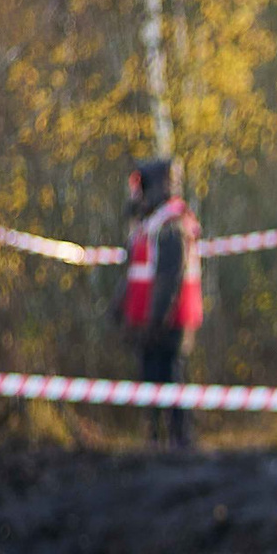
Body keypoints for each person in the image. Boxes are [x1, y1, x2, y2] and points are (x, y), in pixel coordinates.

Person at [112, 156, 203, 449]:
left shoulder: (171, 224)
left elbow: (168, 277)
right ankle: (155, 439)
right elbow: (135, 272)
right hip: (148, 320)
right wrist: (119, 306)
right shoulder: (148, 224)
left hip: (168, 322)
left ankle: (180, 440)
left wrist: (155, 319)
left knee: (171, 377)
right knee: (151, 378)